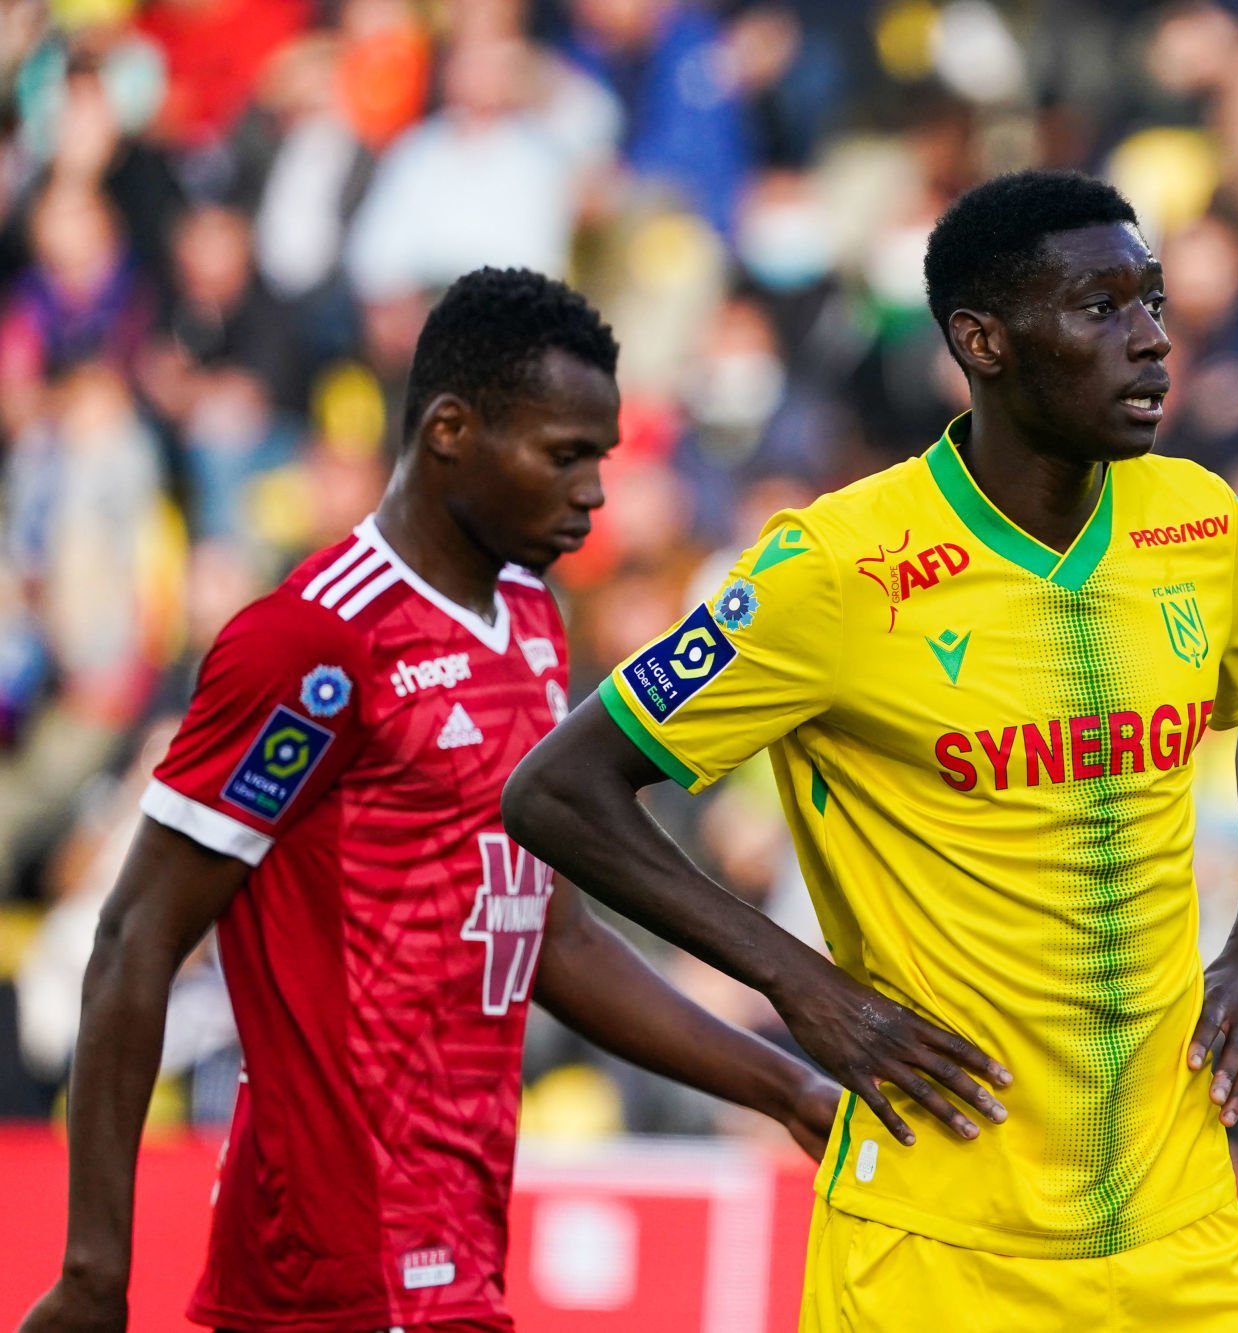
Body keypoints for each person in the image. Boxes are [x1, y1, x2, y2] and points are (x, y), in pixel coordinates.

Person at [503, 171, 1238, 1330]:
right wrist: (802, 985)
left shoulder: (1198, 523)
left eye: (1150, 299)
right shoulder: (836, 568)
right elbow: (558, 789)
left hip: (1181, 1234)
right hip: (935, 1247)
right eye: (1100, 308)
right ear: (982, 342)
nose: (1151, 339)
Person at [21, 268, 840, 1333]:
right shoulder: (315, 643)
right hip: (327, 1265)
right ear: (451, 429)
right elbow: (135, 935)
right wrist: (94, 1270)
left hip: (457, 1251)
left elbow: (550, 936)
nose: (593, 492)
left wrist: (787, 1087)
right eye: (565, 455)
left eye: (600, 458)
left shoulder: (531, 619)